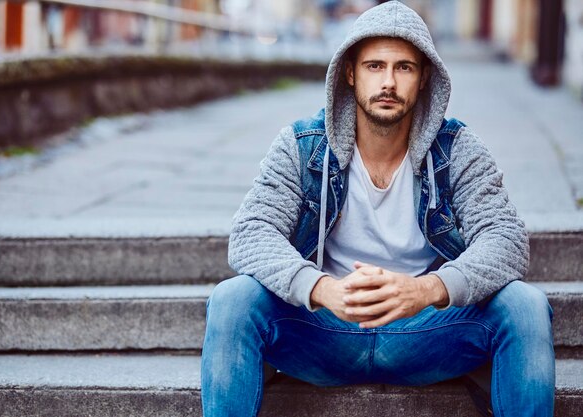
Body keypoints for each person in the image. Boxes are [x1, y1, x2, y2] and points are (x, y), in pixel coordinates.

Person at [201, 1, 555, 416]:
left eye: (404, 67)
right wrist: (321, 289)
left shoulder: (457, 149)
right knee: (232, 299)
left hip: (427, 331)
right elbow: (251, 232)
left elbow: (506, 240)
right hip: (323, 331)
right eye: (374, 66)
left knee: (524, 306)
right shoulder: (302, 146)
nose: (388, 81)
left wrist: (426, 290)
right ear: (350, 73)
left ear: (424, 77)